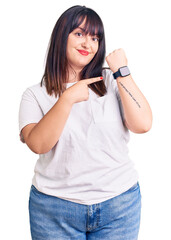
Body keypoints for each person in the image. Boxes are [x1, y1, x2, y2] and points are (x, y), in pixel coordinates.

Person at [18, 5, 152, 240]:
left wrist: (122, 71)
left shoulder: (112, 81)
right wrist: (67, 97)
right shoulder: (34, 94)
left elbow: (143, 124)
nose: (87, 44)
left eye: (95, 37)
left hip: (119, 205)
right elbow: (38, 145)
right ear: (61, 36)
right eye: (79, 34)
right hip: (54, 209)